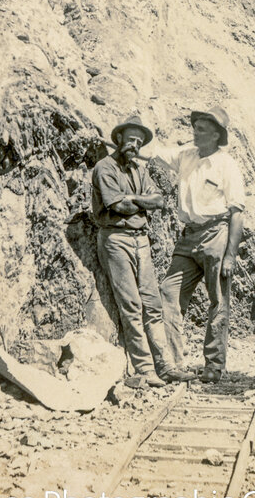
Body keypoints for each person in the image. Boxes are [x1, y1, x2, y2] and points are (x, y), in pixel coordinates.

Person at [144, 108, 246, 383]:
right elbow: (150, 151)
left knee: (218, 301)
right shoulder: (185, 156)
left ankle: (214, 364)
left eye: (201, 129)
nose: (195, 132)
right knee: (169, 292)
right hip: (188, 236)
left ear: (216, 135)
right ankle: (174, 362)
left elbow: (237, 213)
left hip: (217, 234)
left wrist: (230, 256)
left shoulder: (227, 165)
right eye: (195, 127)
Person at [91, 115, 193, 387]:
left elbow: (157, 200)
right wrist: (140, 202)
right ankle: (145, 370)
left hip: (141, 240)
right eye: (130, 138)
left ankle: (166, 366)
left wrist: (134, 198)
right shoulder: (105, 168)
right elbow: (118, 207)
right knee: (132, 306)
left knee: (153, 303)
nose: (134, 144)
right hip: (116, 238)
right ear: (119, 139)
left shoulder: (139, 170)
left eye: (139, 140)